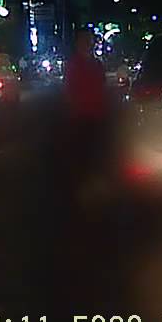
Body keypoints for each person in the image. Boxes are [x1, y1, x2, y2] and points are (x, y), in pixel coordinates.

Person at [62, 30, 110, 202]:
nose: (87, 45)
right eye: (84, 41)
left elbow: (102, 86)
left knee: (95, 151)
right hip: (80, 115)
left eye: (89, 41)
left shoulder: (96, 64)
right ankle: (83, 185)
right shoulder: (74, 64)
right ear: (78, 44)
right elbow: (70, 89)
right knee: (83, 152)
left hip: (96, 114)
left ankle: (92, 184)